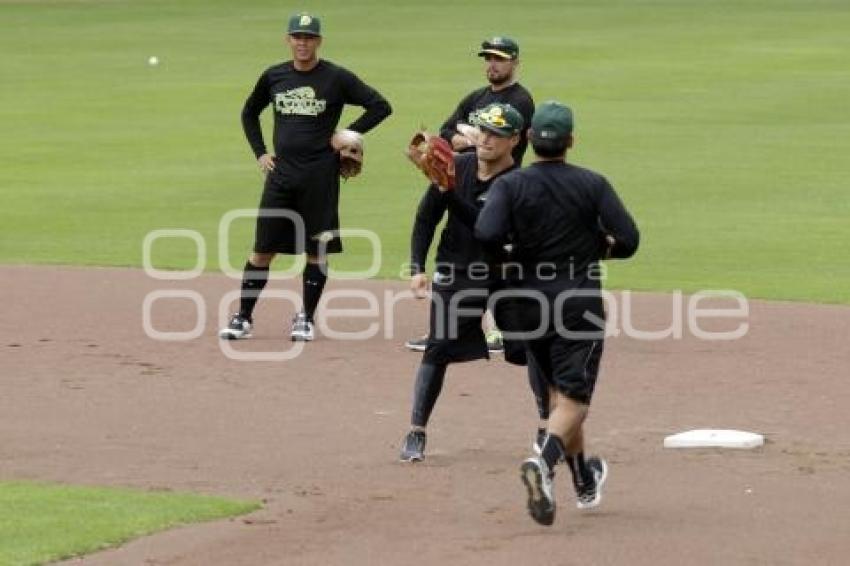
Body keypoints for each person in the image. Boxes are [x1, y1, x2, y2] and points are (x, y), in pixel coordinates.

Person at [475, 101, 640, 525]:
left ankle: (585, 479)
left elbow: (487, 233)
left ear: (528, 139)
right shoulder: (592, 184)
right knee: (575, 401)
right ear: (571, 141)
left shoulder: (511, 186)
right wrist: (600, 247)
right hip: (577, 301)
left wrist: (509, 255)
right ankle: (543, 464)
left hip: (526, 303)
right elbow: (629, 238)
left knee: (556, 399)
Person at [219, 12, 392, 342]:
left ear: (319, 42)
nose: (303, 43)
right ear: (288, 40)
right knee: (262, 249)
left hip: (320, 177)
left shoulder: (336, 78)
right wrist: (260, 152)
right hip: (281, 176)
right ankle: (243, 317)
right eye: (297, 37)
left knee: (317, 250)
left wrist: (348, 134)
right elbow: (249, 112)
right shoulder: (274, 76)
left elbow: (380, 106)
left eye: (309, 37)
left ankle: (306, 318)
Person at [399, 103, 524, 462]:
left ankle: (550, 428)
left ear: (514, 140)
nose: (485, 138)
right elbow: (426, 217)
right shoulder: (458, 167)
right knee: (438, 348)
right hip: (456, 269)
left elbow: (489, 229)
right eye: (482, 129)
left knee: (529, 350)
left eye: (496, 133)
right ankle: (416, 431)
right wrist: (417, 266)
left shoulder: (519, 184)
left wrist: (451, 191)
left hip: (504, 273)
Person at [406, 35, 535, 355]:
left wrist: (466, 136)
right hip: (467, 175)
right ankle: (446, 331)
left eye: (500, 58)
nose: (493, 64)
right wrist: (466, 136)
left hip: (502, 183)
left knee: (493, 250)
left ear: (515, 62)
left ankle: (498, 328)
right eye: (489, 57)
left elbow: (472, 137)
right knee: (457, 244)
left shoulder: (520, 100)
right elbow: (444, 133)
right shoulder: (475, 97)